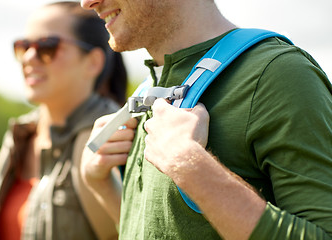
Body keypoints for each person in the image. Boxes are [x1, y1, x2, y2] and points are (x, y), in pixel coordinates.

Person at [80, 0, 332, 239]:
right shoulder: (147, 91)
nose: (86, 3)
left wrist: (191, 166)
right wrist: (101, 184)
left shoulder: (279, 74)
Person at [0, 1, 127, 240]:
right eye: (23, 46)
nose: (29, 57)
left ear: (93, 62)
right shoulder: (20, 134)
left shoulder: (107, 140)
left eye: (47, 46)